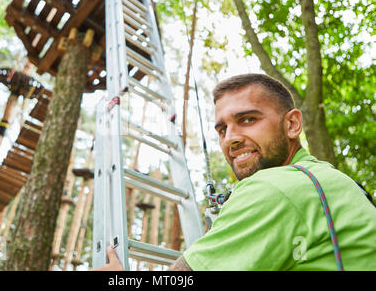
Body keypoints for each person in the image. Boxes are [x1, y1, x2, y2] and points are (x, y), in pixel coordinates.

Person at [92, 73, 376, 271]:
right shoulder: (328, 180)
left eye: (248, 119)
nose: (230, 138)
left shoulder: (276, 188)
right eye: (222, 129)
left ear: (292, 125)